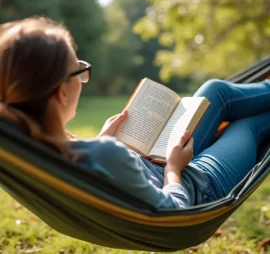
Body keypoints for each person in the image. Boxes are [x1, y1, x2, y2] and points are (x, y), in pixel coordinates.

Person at [0, 17, 269, 210]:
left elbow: (95, 168)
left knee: (215, 91)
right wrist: (174, 168)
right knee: (248, 125)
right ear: (61, 92)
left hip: (159, 163)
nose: (84, 78)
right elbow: (174, 214)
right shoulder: (104, 153)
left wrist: (102, 138)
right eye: (80, 72)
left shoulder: (28, 147)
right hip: (195, 185)